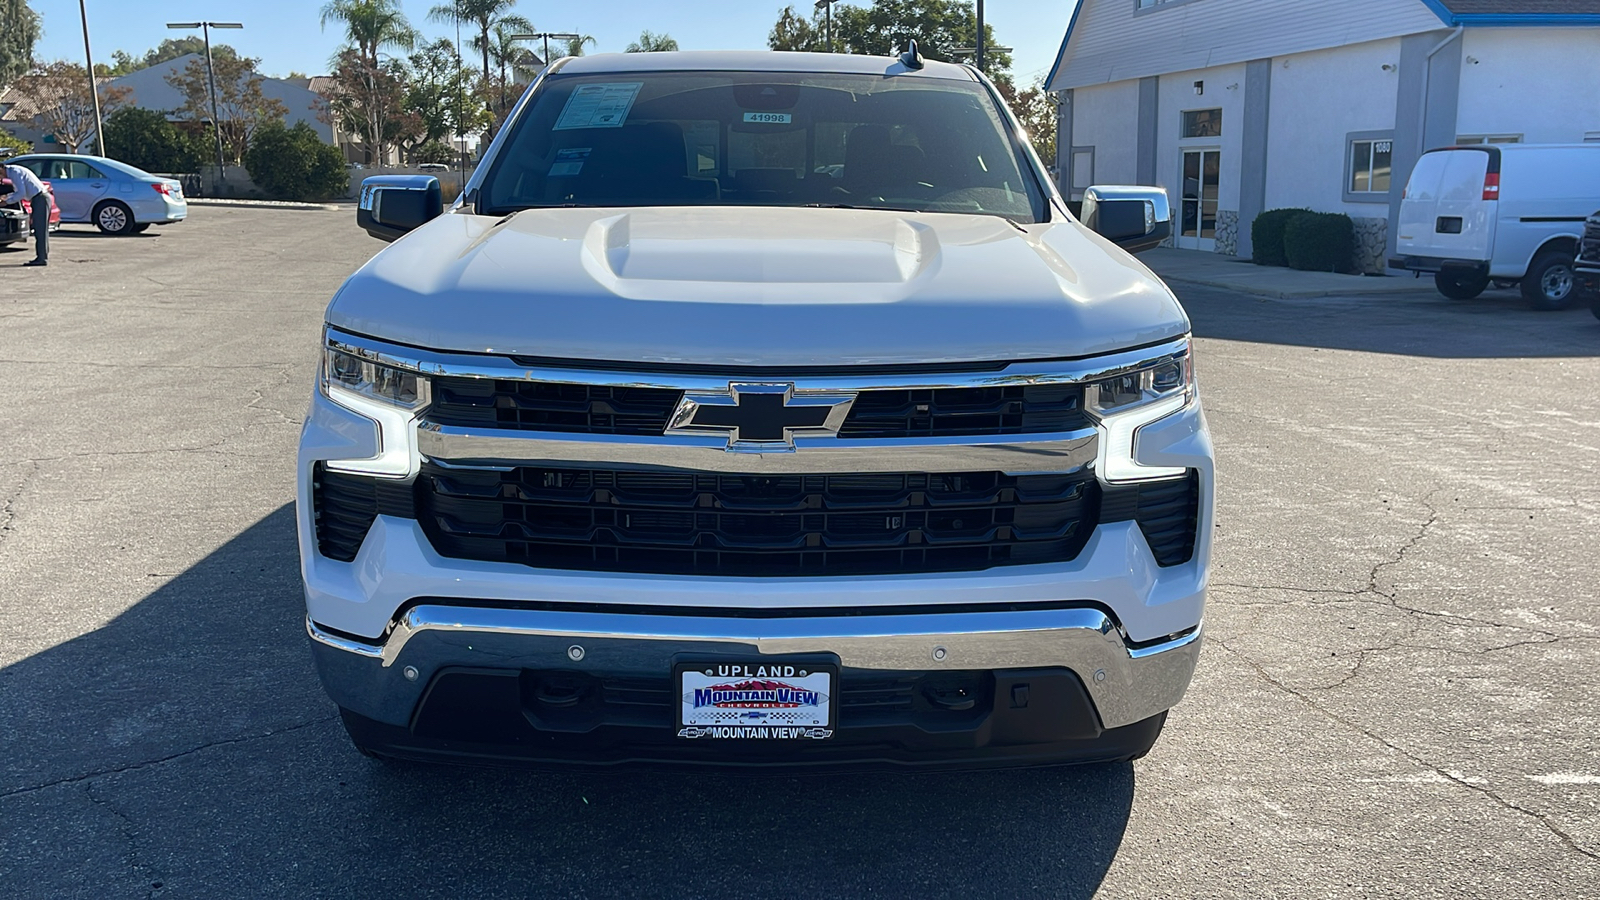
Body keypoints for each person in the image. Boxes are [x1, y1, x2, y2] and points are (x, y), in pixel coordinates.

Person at [1, 162, 49, 266]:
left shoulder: (14, 172)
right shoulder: (14, 171)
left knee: (40, 229)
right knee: (38, 228)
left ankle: (41, 259)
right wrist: (6, 196)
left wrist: (6, 202)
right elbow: (18, 191)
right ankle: (41, 257)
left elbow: (21, 193)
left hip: (40, 198)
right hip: (37, 198)